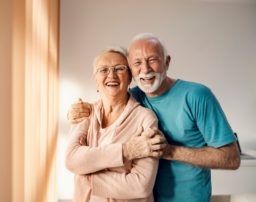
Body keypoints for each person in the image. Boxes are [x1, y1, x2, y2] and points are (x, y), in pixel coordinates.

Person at [68, 33, 241, 202]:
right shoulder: (137, 95)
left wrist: (169, 151)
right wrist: (77, 111)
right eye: (137, 63)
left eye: (152, 60)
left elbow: (231, 158)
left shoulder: (197, 95)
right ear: (132, 71)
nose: (145, 69)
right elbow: (110, 97)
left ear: (167, 62)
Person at [65, 47, 160, 201]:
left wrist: (87, 178)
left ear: (130, 77)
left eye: (119, 68)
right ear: (95, 79)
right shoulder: (85, 113)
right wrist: (126, 151)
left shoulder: (146, 118)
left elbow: (140, 186)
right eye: (103, 70)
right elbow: (71, 160)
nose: (111, 75)